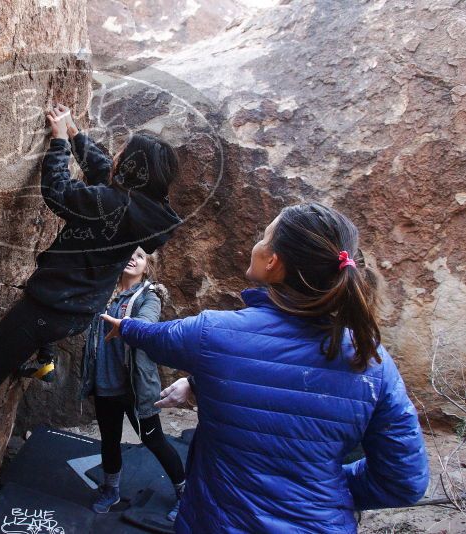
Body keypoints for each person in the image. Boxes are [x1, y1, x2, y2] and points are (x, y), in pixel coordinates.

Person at [101, 203, 429, 533]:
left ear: (272, 262)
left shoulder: (213, 333)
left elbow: (159, 337)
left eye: (264, 236)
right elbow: (405, 481)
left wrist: (124, 328)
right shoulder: (372, 360)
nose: (258, 243)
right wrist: (321, 488)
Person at [0, 104, 183, 505]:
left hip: (47, 310)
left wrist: (58, 141)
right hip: (78, 314)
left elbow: (58, 192)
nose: (115, 156)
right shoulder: (145, 213)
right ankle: (45, 360)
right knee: (36, 339)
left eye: (122, 153)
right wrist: (75, 134)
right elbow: (101, 177)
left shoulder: (110, 202)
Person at [81, 246, 186, 519]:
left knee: (154, 441)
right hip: (104, 382)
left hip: (135, 387)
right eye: (129, 252)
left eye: (139, 256)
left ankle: (185, 494)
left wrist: (126, 325)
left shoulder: (149, 296)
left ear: (147, 266)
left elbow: (147, 324)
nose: (132, 258)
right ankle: (111, 490)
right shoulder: (105, 293)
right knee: (110, 440)